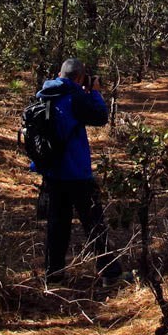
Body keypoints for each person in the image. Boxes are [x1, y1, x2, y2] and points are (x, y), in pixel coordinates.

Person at [33, 58, 125, 287]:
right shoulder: (76, 97)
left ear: (59, 73)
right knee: (94, 223)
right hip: (77, 173)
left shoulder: (44, 95)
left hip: (53, 172)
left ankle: (53, 274)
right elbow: (101, 116)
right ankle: (110, 273)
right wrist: (94, 91)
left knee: (57, 225)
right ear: (80, 77)